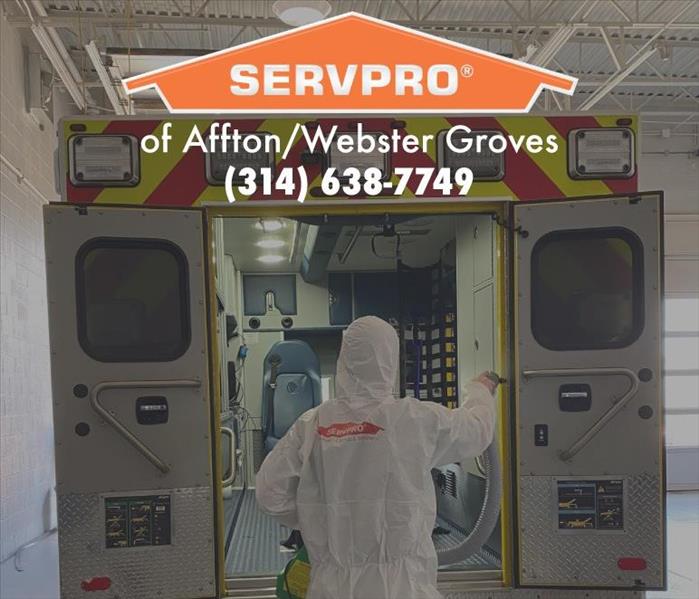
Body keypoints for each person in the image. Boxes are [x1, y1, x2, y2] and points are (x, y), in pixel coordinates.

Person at [256, 315, 497, 599]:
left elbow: (269, 494)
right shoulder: (415, 418)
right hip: (405, 588)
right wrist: (481, 389)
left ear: (344, 360)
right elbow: (477, 430)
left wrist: (317, 517)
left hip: (332, 587)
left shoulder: (313, 425)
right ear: (389, 359)